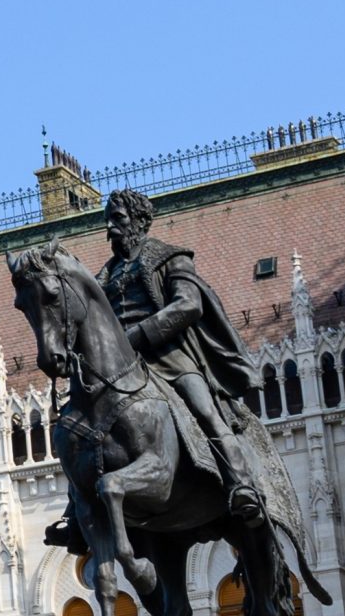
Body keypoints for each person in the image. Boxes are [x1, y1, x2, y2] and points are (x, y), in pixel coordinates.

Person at [98, 187, 262, 518]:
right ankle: (78, 511)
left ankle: (241, 483)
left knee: (203, 408)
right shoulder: (104, 275)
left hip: (170, 357)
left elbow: (189, 304)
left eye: (118, 218)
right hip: (122, 367)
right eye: (108, 220)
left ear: (140, 222)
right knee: (83, 425)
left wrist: (139, 334)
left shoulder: (171, 258)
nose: (111, 227)